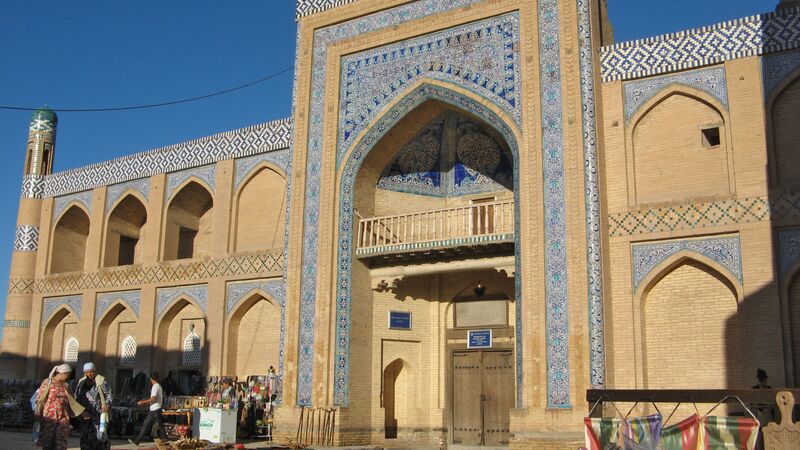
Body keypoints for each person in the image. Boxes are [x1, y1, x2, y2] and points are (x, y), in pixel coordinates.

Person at [36, 364, 86, 450]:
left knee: (61, 441)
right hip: (49, 416)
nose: (68, 377)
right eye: (68, 375)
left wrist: (81, 413)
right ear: (63, 373)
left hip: (63, 416)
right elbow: (39, 399)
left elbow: (72, 401)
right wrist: (38, 414)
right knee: (48, 442)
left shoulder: (65, 386)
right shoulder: (47, 383)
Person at [75, 362, 112, 450]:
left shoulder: (101, 381)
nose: (89, 374)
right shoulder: (81, 383)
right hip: (85, 414)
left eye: (91, 372)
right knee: (85, 436)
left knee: (100, 436)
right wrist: (79, 411)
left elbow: (109, 395)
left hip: (98, 414)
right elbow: (77, 396)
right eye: (87, 372)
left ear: (94, 371)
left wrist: (107, 405)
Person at [128, 372, 167, 447]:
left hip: (155, 409)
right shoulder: (159, 386)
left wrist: (143, 402)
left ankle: (165, 438)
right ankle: (137, 440)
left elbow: (153, 398)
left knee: (158, 424)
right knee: (148, 424)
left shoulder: (155, 386)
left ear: (151, 379)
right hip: (155, 408)